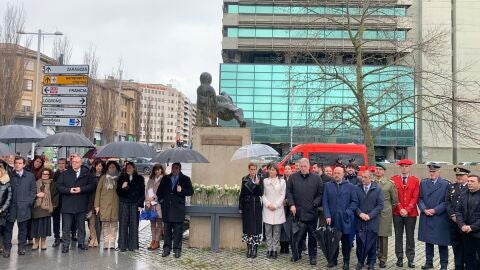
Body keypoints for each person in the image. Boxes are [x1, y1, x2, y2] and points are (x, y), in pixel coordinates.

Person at [287, 158, 323, 266]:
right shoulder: (293, 177)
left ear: (309, 167)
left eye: (305, 166)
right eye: (301, 166)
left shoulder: (316, 178)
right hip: (297, 212)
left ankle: (312, 256)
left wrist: (315, 203)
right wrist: (292, 204)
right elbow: (289, 191)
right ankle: (296, 254)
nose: (303, 168)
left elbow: (320, 193)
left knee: (312, 236)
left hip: (312, 212)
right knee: (298, 236)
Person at [57, 155, 96, 253]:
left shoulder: (87, 173)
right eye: (73, 162)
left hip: (81, 204)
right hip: (67, 204)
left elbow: (92, 186)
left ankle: (81, 243)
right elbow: (59, 186)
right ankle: (65, 245)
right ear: (71, 163)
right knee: (66, 227)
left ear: (81, 163)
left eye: (77, 162)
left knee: (81, 226)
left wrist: (81, 189)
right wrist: (69, 190)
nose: (75, 163)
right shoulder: (65, 173)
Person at [323, 166, 358, 269]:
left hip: (345, 219)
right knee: (333, 241)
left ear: (343, 174)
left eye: (339, 173)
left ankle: (346, 261)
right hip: (332, 219)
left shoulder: (350, 186)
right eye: (335, 173)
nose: (336, 175)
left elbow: (354, 202)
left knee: (346, 242)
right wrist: (327, 215)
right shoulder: (327, 186)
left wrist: (348, 212)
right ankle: (333, 260)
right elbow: (325, 202)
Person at [156, 162, 193, 258]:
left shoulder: (185, 179)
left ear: (180, 169)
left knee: (177, 231)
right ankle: (166, 249)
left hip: (178, 210)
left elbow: (190, 192)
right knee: (167, 231)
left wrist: (182, 191)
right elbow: (159, 192)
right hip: (167, 209)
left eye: (176, 168)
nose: (174, 170)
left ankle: (177, 250)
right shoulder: (165, 178)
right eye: (173, 168)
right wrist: (162, 200)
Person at [417, 164, 450, 270]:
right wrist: (424, 209)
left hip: (440, 217)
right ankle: (429, 262)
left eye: (434, 172)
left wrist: (435, 210)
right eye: (431, 172)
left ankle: (444, 265)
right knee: (428, 241)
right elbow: (420, 199)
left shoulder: (445, 184)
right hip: (427, 215)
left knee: (442, 242)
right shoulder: (423, 183)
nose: (432, 174)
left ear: (439, 172)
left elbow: (447, 201)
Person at [2, 156, 36, 258]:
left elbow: (33, 191)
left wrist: (28, 203)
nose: (17, 165)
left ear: (24, 165)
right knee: (8, 229)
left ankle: (21, 247)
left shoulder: (30, 176)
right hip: (11, 207)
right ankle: (7, 248)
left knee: (23, 229)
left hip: (24, 207)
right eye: (16, 163)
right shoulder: (9, 176)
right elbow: (4, 190)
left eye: (20, 163)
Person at [391, 159, 419, 268]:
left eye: (406, 166)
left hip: (411, 213)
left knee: (410, 236)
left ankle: (411, 259)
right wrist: (400, 208)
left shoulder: (415, 180)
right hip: (397, 212)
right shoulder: (393, 180)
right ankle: (399, 258)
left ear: (410, 167)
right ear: (399, 167)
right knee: (398, 236)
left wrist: (407, 209)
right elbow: (394, 196)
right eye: (402, 166)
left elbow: (415, 196)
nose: (404, 168)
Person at [354, 169, 384, 270]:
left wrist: (370, 215)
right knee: (360, 241)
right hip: (360, 220)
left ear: (371, 178)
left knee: (372, 242)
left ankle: (371, 262)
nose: (362, 179)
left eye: (365, 177)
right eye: (362, 177)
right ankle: (360, 261)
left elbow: (380, 205)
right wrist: (360, 213)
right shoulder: (356, 188)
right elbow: (354, 203)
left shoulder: (378, 189)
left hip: (372, 220)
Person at [373, 163, 398, 268]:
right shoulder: (371, 182)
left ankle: (383, 259)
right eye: (376, 169)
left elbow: (395, 200)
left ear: (384, 171)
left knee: (383, 237)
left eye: (380, 169)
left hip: (384, 213)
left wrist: (387, 209)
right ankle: (372, 256)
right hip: (372, 213)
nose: (378, 171)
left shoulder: (389, 184)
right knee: (372, 235)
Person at [116, 161, 145, 252]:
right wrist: (122, 187)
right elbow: (118, 192)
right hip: (124, 202)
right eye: (127, 167)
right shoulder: (122, 177)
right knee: (123, 224)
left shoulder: (140, 178)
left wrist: (140, 204)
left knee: (133, 224)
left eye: (130, 167)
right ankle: (122, 245)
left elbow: (142, 192)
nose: (128, 169)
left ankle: (132, 245)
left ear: (134, 168)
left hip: (135, 203)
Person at [446, 167, 470, 270]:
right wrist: (452, 215)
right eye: (457, 175)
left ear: (467, 176)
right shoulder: (452, 187)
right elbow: (447, 202)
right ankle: (458, 266)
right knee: (456, 247)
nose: (459, 177)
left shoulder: (470, 187)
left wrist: (460, 219)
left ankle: (467, 266)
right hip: (453, 223)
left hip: (465, 223)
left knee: (467, 247)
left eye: (461, 175)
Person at [455, 174, 480, 270]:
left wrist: (472, 227)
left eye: (472, 181)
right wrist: (462, 225)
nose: (469, 183)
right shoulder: (464, 194)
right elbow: (458, 211)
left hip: (478, 233)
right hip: (465, 232)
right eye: (468, 181)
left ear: (479, 183)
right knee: (469, 258)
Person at [239, 162, 263, 258]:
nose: (253, 171)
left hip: (256, 206)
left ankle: (255, 250)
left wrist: (257, 185)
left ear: (256, 170)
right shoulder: (244, 179)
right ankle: (249, 249)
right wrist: (240, 206)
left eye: (254, 169)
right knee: (248, 228)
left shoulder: (260, 179)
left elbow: (261, 193)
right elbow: (242, 194)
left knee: (256, 228)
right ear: (249, 170)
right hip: (247, 206)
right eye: (251, 169)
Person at [94, 161, 120, 250]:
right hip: (104, 205)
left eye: (113, 167)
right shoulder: (103, 178)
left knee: (114, 225)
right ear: (107, 169)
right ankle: (105, 242)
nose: (111, 169)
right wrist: (96, 205)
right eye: (110, 167)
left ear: (116, 168)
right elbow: (98, 192)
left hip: (115, 205)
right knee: (105, 225)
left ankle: (112, 242)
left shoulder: (118, 178)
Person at [31, 168, 58, 251]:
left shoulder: (53, 184)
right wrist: (37, 195)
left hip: (47, 208)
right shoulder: (35, 183)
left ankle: (43, 242)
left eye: (47, 174)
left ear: (50, 175)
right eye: (43, 174)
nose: (45, 175)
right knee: (36, 226)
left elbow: (56, 197)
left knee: (44, 226)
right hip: (36, 207)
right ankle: (36, 242)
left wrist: (52, 206)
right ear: (41, 174)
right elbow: (31, 194)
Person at [262, 163, 286, 259]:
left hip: (278, 209)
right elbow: (262, 194)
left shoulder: (282, 182)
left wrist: (275, 205)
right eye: (270, 169)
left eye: (273, 170)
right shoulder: (264, 181)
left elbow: (282, 195)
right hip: (267, 209)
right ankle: (269, 249)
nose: (271, 171)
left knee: (276, 231)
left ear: (276, 171)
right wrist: (268, 204)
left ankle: (275, 249)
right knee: (268, 230)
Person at [145, 164, 165, 251]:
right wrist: (147, 201)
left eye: (158, 169)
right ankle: (153, 240)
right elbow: (146, 191)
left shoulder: (164, 180)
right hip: (150, 205)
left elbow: (164, 192)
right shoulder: (150, 180)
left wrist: (155, 198)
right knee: (152, 224)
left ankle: (157, 241)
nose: (157, 171)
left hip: (159, 205)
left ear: (161, 170)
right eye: (155, 170)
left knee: (159, 224)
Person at [87, 159, 105, 248]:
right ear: (95, 166)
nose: (99, 167)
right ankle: (93, 237)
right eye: (98, 165)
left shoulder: (104, 177)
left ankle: (96, 239)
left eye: (101, 166)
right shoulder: (90, 175)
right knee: (91, 221)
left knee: (99, 222)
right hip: (91, 201)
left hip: (101, 202)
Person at [51, 158, 67, 247]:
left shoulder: (68, 173)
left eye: (63, 163)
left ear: (66, 164)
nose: (61, 165)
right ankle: (57, 237)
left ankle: (65, 236)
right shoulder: (55, 174)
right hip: (56, 200)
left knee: (66, 219)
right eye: (59, 163)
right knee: (56, 219)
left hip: (66, 200)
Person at [280, 163, 293, 254]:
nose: (287, 170)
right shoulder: (281, 180)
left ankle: (287, 246)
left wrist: (288, 200)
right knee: (281, 227)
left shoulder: (294, 180)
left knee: (288, 227)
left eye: (289, 169)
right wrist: (282, 200)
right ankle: (282, 246)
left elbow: (295, 192)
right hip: (282, 207)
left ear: (291, 170)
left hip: (290, 207)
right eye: (286, 169)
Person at [0, 160, 12, 254]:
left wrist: (2, 209)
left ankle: (5, 247)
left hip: (3, 211)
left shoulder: (7, 182)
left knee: (4, 230)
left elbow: (9, 198)